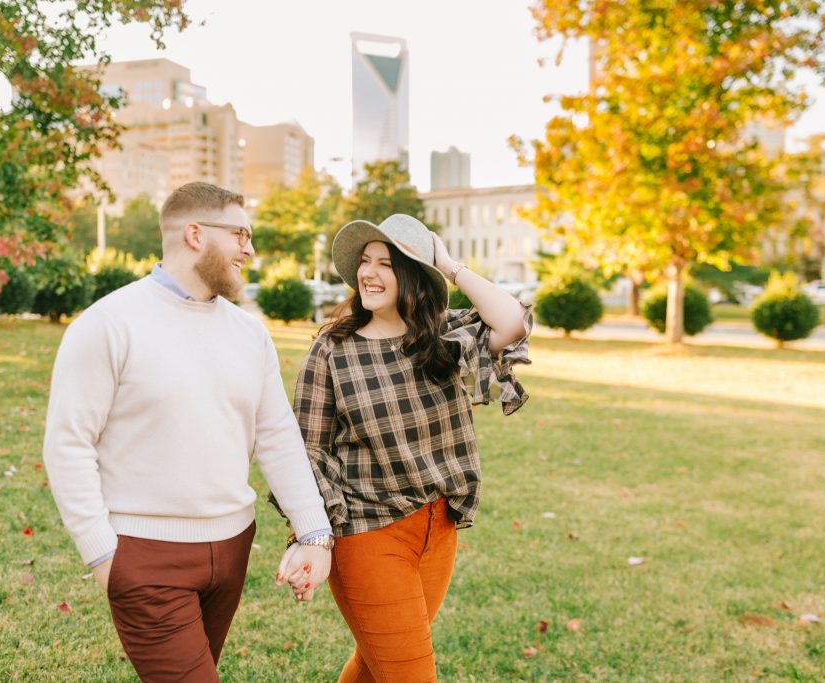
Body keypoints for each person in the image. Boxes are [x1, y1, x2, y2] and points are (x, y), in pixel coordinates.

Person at [43, 181, 335, 683]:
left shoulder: (249, 333)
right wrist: (103, 554)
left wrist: (314, 533)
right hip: (143, 557)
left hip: (233, 549)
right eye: (240, 234)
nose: (250, 248)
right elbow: (67, 443)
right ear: (194, 234)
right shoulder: (108, 324)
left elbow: (277, 436)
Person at [292, 214, 532, 682]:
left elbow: (512, 322)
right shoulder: (332, 349)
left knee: (374, 663)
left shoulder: (442, 338)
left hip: (437, 529)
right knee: (408, 672)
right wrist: (312, 536)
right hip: (367, 530)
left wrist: (448, 265)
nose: (368, 273)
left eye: (386, 263)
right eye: (365, 262)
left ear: (413, 276)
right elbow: (309, 451)